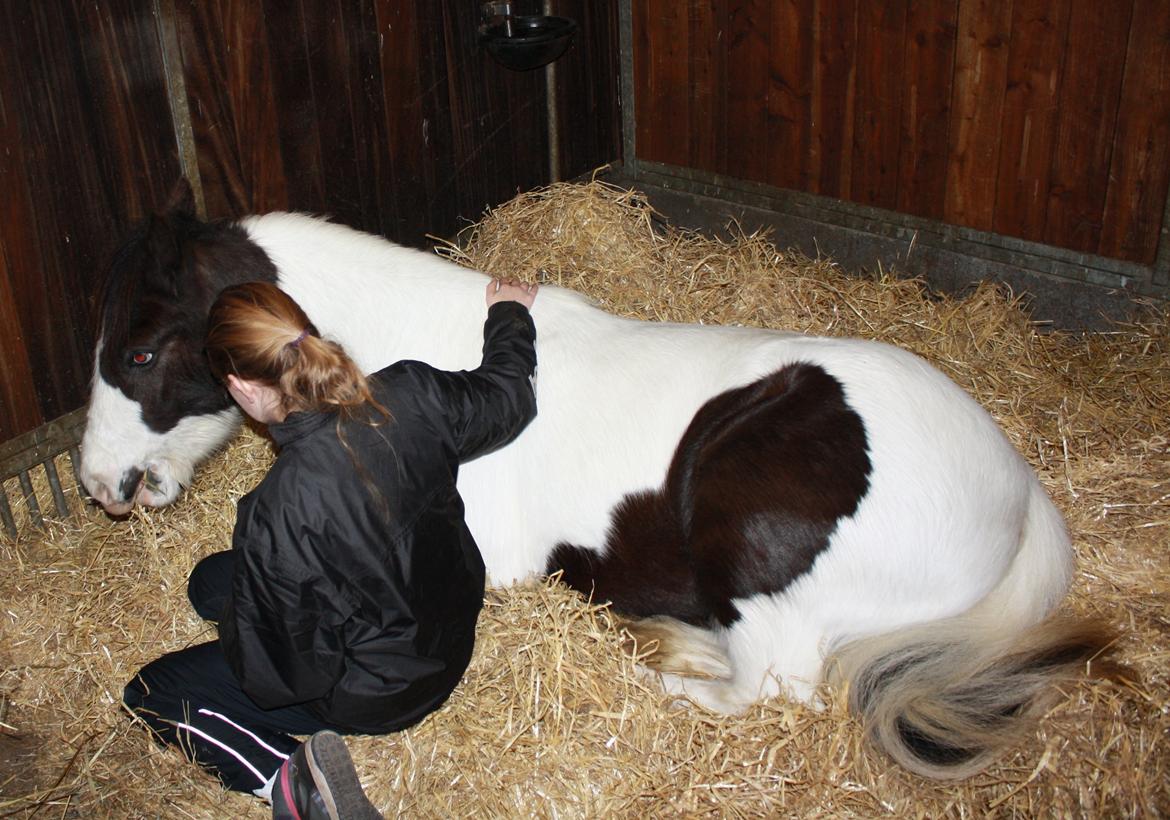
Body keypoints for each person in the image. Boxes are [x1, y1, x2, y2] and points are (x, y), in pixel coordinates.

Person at [123, 277, 538, 819]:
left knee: (153, 690)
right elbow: (510, 396)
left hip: (381, 691)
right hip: (448, 629)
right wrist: (508, 313)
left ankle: (292, 785)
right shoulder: (412, 390)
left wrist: (245, 630)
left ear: (244, 389)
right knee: (207, 582)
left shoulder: (278, 511)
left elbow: (285, 678)